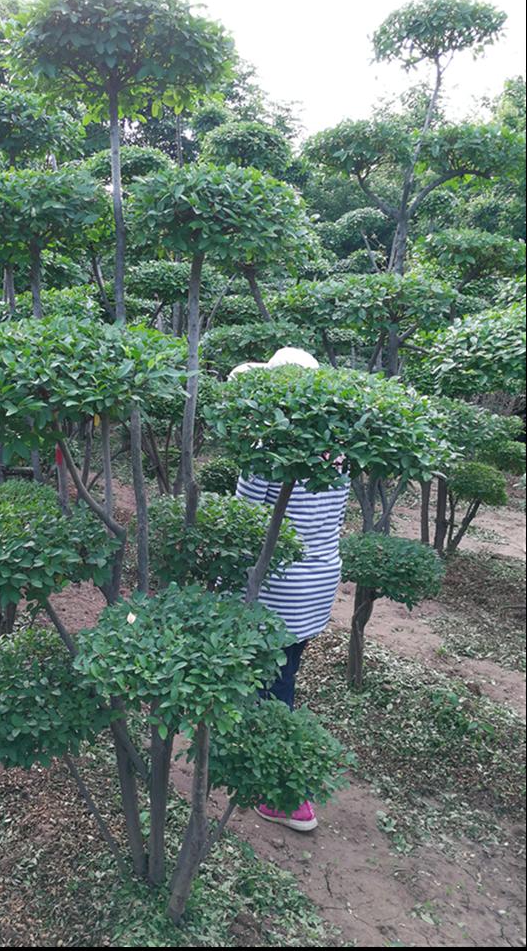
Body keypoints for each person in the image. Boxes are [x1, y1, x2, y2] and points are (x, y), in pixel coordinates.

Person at [232, 347, 350, 832]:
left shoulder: (266, 453)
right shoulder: (338, 453)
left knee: (271, 684)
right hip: (318, 585)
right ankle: (258, 758)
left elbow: (242, 525)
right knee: (283, 671)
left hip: (279, 585)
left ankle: (287, 797)